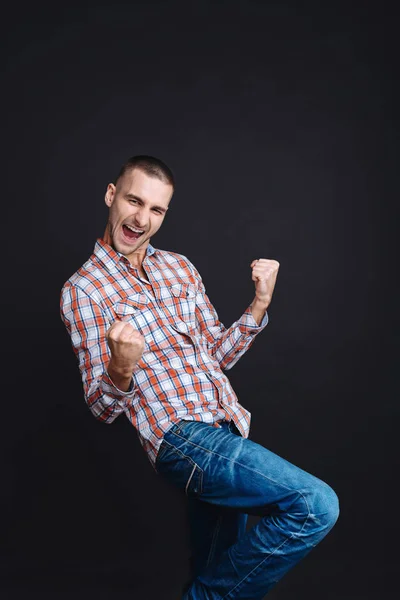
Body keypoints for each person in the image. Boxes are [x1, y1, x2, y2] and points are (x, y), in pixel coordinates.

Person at [60, 155, 339, 599]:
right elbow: (101, 407)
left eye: (156, 209)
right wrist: (122, 365)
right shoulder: (84, 290)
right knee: (315, 505)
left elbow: (215, 356)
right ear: (112, 196)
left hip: (227, 427)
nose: (141, 218)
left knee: (216, 563)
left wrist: (259, 305)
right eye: (134, 200)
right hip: (180, 438)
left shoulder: (180, 267)